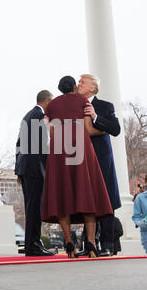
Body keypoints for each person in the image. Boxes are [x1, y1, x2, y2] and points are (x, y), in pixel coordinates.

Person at [41, 76, 113, 258]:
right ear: (74, 86)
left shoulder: (52, 105)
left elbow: (50, 131)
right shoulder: (83, 101)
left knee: (62, 195)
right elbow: (88, 129)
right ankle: (90, 243)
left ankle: (69, 243)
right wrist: (103, 130)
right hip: (80, 145)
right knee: (87, 191)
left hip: (59, 147)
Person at [77, 74, 123, 257]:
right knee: (86, 202)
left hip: (102, 161)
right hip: (80, 160)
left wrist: (95, 117)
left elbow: (116, 129)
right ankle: (89, 245)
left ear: (92, 88)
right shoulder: (74, 105)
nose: (78, 84)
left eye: (82, 82)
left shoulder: (105, 106)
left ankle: (107, 245)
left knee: (106, 201)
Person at [15, 90, 55, 256]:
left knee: (31, 207)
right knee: (35, 208)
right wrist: (48, 169)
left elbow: (18, 144)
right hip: (35, 168)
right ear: (46, 101)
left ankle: (33, 244)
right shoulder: (39, 117)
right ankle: (33, 246)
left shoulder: (27, 116)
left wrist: (18, 169)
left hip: (25, 167)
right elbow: (42, 147)